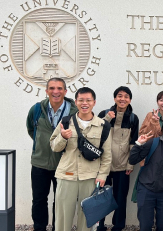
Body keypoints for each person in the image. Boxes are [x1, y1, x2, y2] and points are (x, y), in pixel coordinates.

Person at [50, 87, 112, 231]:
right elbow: (54, 146)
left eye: (88, 100)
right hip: (66, 175)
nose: (85, 103)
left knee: (87, 218)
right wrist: (62, 137)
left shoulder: (104, 126)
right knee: (63, 217)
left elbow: (107, 155)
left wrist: (103, 175)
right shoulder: (65, 122)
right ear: (76, 102)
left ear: (94, 102)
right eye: (81, 100)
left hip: (90, 177)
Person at [26, 77, 78, 231]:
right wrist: (43, 145)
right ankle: (39, 228)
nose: (56, 92)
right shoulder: (36, 110)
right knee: (39, 200)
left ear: (65, 91)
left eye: (60, 88)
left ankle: (58, 228)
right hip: (39, 163)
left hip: (64, 164)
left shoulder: (74, 112)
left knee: (60, 201)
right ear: (47, 91)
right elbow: (32, 130)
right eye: (52, 88)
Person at [96, 86, 140, 231]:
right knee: (101, 197)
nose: (123, 99)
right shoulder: (104, 114)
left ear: (130, 100)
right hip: (104, 166)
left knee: (121, 198)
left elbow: (133, 143)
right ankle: (100, 225)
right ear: (115, 98)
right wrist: (107, 119)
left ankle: (118, 226)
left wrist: (130, 164)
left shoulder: (133, 118)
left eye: (126, 96)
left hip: (122, 166)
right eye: (120, 96)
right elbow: (95, 132)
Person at [129, 117, 163, 231]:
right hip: (146, 189)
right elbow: (132, 160)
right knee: (145, 225)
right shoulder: (153, 143)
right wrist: (138, 143)